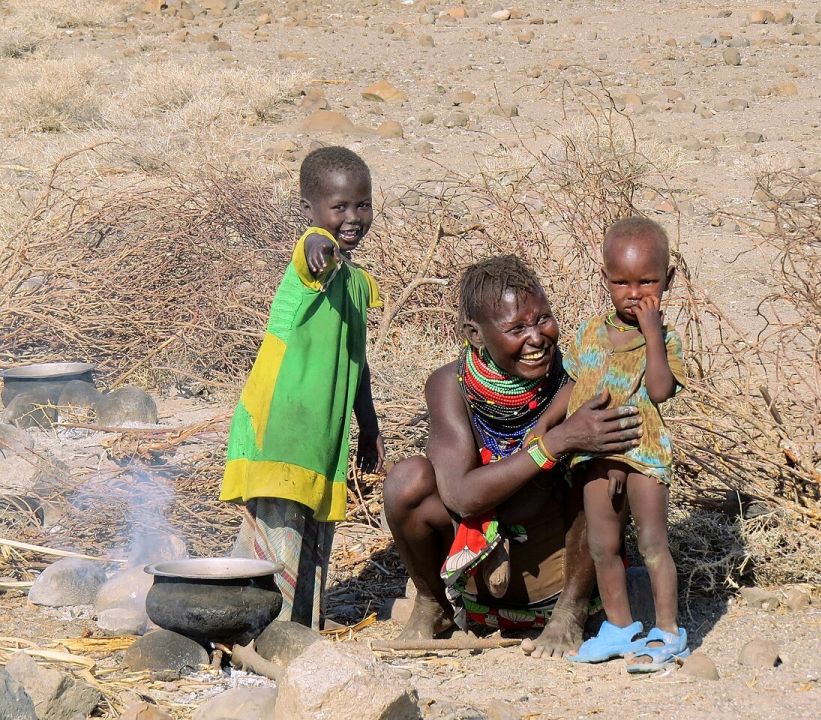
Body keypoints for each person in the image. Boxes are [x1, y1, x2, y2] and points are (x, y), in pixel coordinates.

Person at [383, 255, 642, 658]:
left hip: (555, 570)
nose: (536, 338)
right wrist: (555, 443)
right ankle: (435, 605)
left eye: (542, 319)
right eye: (516, 328)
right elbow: (461, 497)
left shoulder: (576, 376)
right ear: (474, 334)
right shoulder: (450, 386)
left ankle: (570, 614)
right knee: (406, 480)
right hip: (478, 573)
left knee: (604, 465)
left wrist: (575, 442)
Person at [219, 146, 386, 630]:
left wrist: (369, 425)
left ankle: (299, 631)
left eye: (363, 204)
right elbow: (313, 251)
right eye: (338, 208)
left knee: (313, 536)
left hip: (321, 436)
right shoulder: (312, 263)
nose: (353, 217)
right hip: (282, 428)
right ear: (308, 210)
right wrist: (318, 243)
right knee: (276, 537)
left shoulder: (354, 282)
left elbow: (358, 361)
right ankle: (254, 630)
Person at [563, 216, 689, 671]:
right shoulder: (587, 334)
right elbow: (571, 389)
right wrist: (544, 435)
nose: (634, 293)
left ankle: (668, 632)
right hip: (596, 456)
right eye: (621, 282)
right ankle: (619, 627)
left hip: (644, 453)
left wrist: (653, 333)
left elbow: (659, 390)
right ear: (604, 278)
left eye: (647, 281)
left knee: (653, 543)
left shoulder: (666, 339)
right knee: (603, 546)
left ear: (668, 280)